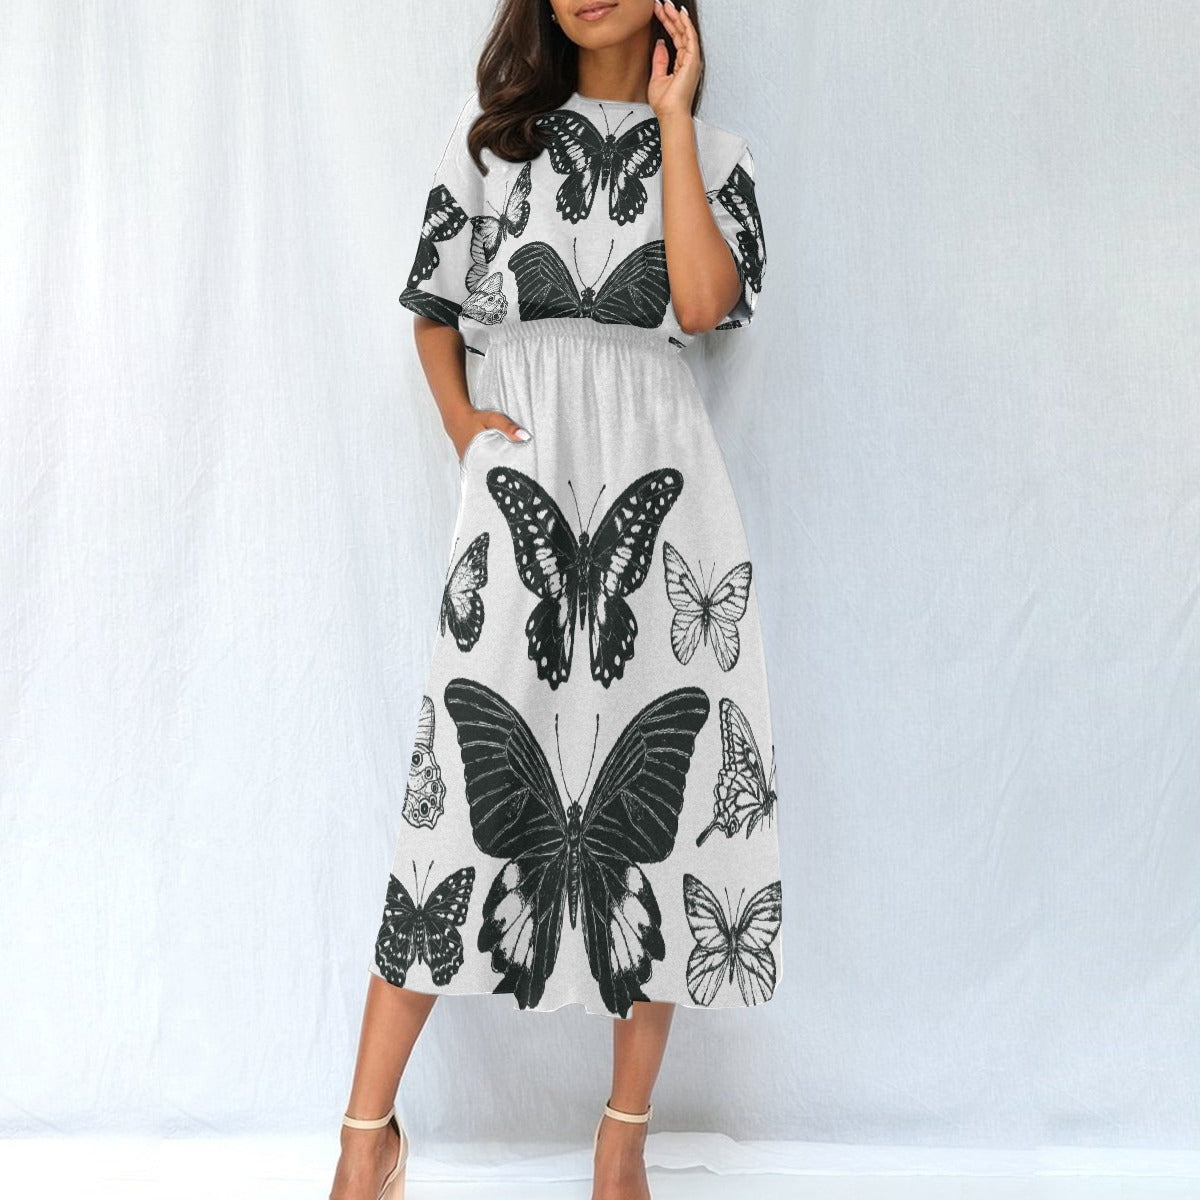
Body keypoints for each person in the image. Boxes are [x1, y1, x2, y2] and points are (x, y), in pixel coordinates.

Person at [330, 3, 782, 1198]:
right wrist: (467, 432)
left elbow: (701, 304)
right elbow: (435, 311)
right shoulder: (494, 145)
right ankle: (366, 1137)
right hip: (519, 513)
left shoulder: (718, 158)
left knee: (657, 824)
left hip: (665, 523)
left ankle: (622, 1137)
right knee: (449, 812)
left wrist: (673, 122)